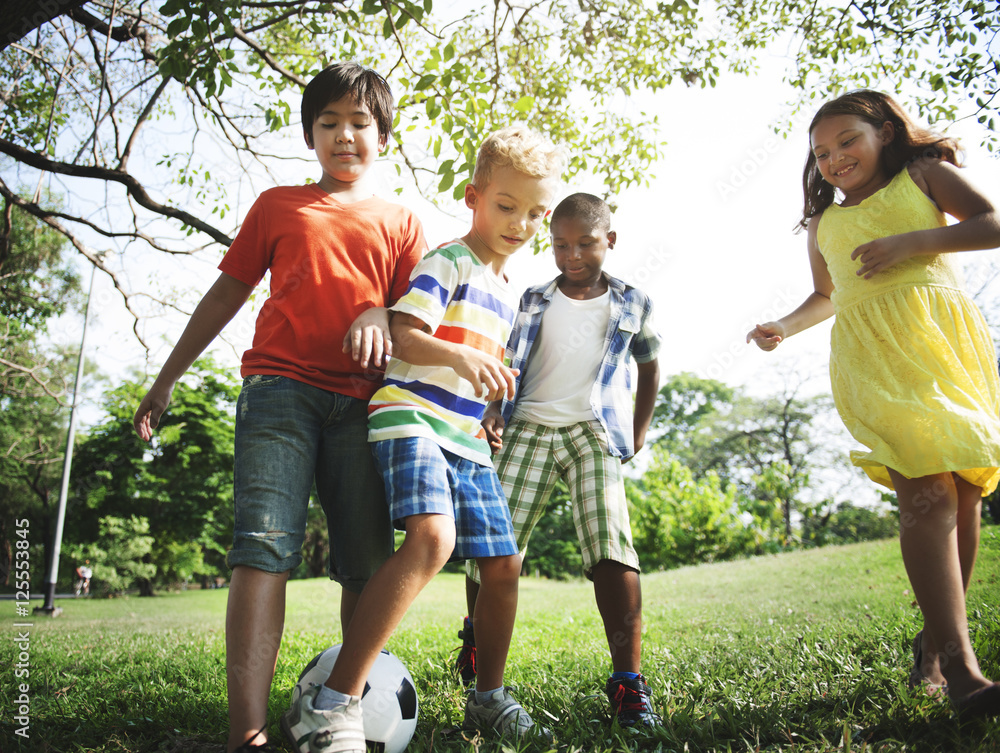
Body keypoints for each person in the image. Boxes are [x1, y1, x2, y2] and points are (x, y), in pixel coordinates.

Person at [131, 61, 427, 752]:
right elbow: (226, 294)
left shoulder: (402, 221)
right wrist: (167, 376)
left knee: (365, 561)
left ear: (383, 134)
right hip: (278, 393)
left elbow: (422, 318)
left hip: (366, 406)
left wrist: (384, 311)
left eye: (359, 123)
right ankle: (248, 735)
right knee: (262, 549)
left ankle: (340, 713)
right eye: (328, 123)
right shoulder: (277, 205)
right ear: (309, 135)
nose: (344, 136)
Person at [280, 124, 565, 753]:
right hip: (409, 417)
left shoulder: (510, 290)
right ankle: (334, 703)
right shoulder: (449, 260)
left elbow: (485, 370)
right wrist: (460, 361)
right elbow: (406, 337)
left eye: (535, 213)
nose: (520, 224)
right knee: (433, 539)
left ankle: (487, 697)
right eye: (506, 206)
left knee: (503, 564)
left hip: (465, 439)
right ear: (474, 196)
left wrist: (489, 410)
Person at [747, 90, 1000, 718]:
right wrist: (783, 323)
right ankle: (965, 673)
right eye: (821, 153)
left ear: (885, 132)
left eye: (846, 142)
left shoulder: (923, 174)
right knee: (929, 492)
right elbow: (828, 295)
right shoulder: (824, 222)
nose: (833, 160)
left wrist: (911, 243)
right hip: (876, 360)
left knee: (963, 490)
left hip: (942, 348)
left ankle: (934, 648)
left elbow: (992, 223)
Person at [451, 192, 663, 728]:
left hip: (593, 432)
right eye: (561, 244)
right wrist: (494, 410)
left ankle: (629, 685)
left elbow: (650, 365)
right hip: (529, 427)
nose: (572, 255)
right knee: (493, 547)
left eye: (586, 244)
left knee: (611, 543)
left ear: (609, 241)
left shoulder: (634, 301)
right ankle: (476, 640)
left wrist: (637, 432)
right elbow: (508, 360)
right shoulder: (532, 298)